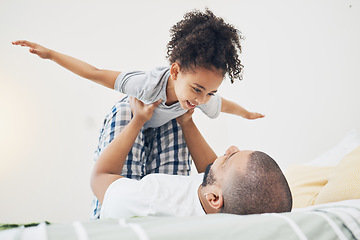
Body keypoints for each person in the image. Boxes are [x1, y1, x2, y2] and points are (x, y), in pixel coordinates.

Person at [13, 9, 265, 218]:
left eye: (209, 93)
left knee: (180, 124)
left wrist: (246, 114)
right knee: (126, 111)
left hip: (167, 126)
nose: (201, 99)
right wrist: (50, 55)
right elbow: (95, 73)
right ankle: (108, 214)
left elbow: (224, 105)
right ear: (175, 72)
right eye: (197, 89)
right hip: (136, 115)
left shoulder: (200, 98)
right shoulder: (146, 85)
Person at [92, 97, 292, 219]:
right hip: (175, 193)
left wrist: (138, 121)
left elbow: (101, 178)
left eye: (230, 158)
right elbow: (215, 175)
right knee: (171, 118)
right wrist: (187, 123)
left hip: (123, 199)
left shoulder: (151, 198)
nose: (230, 148)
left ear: (214, 198)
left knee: (126, 110)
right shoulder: (226, 205)